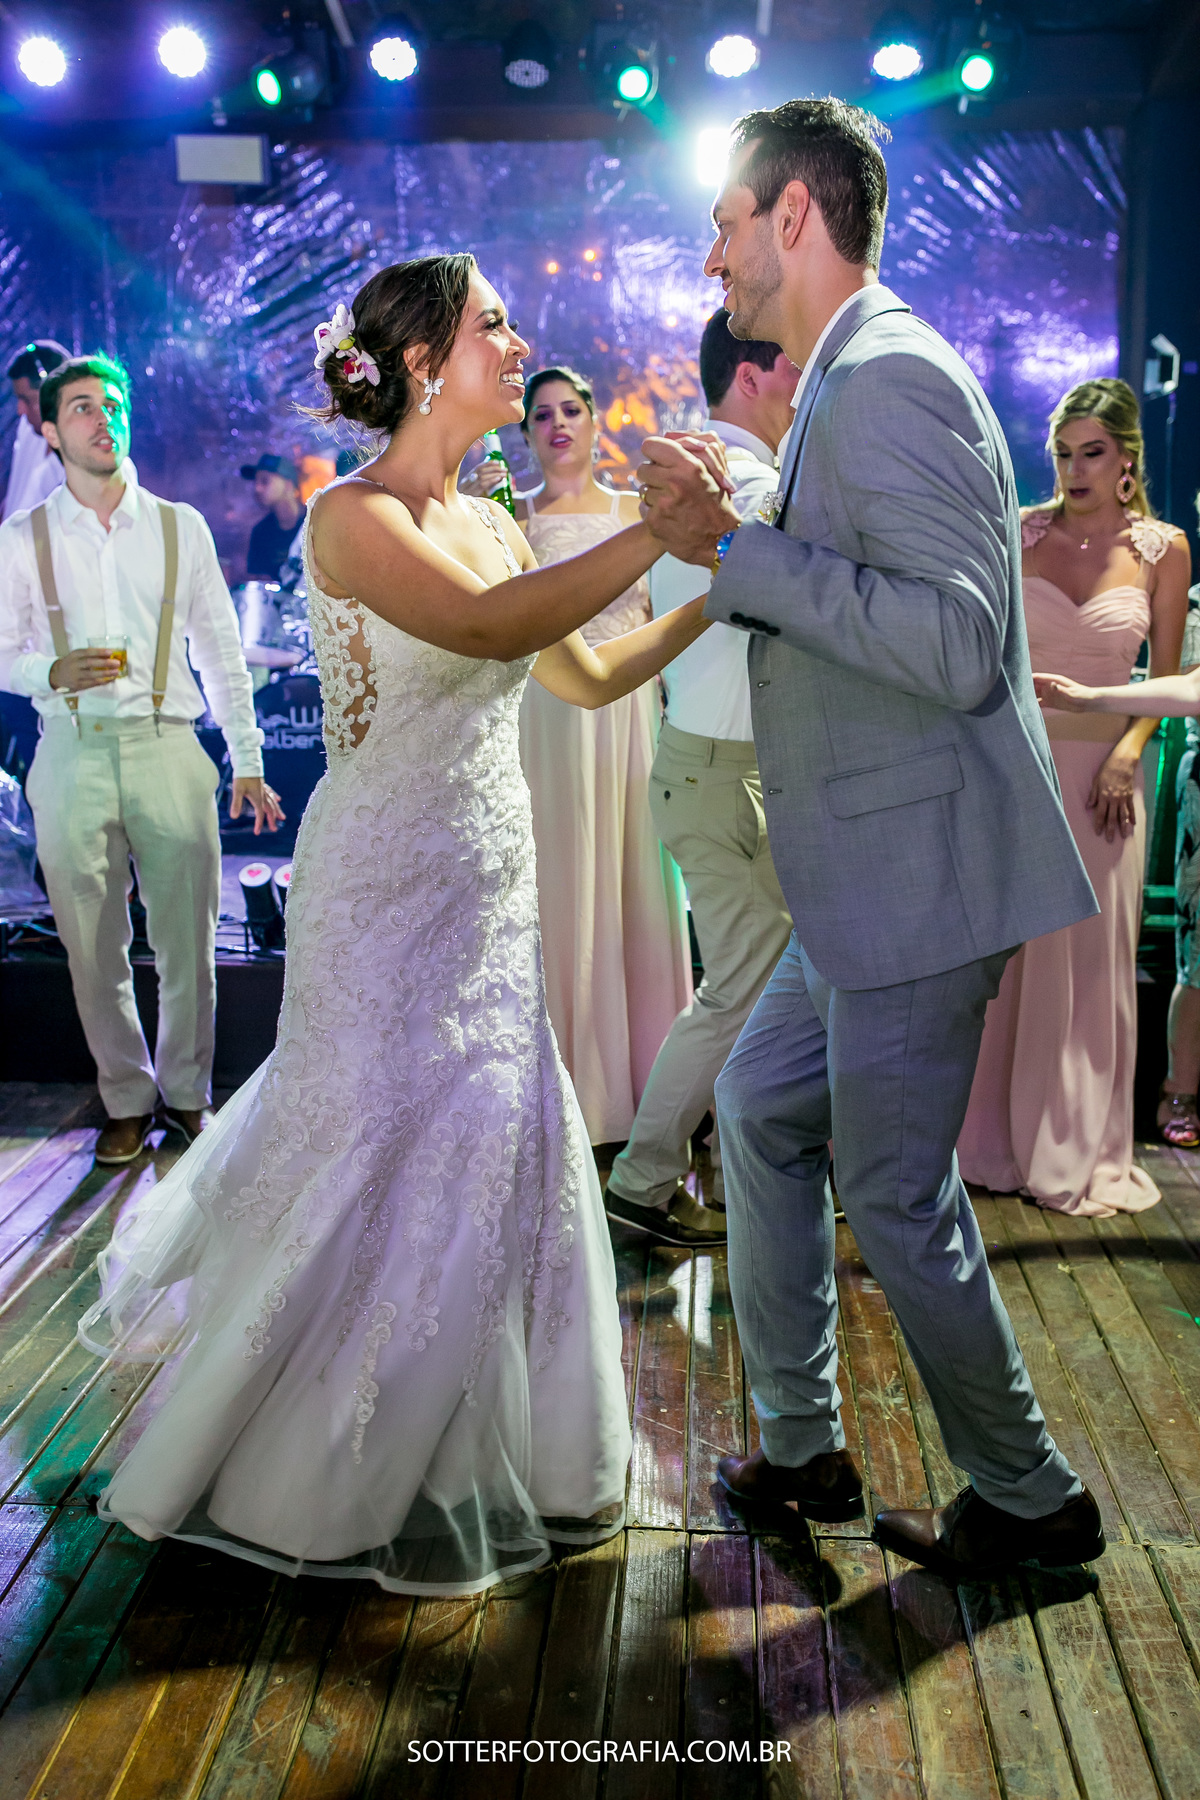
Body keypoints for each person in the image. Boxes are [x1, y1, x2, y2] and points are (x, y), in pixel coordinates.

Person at [74, 256, 714, 1597]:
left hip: (493, 868)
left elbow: (584, 672)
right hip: (383, 876)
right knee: (373, 1136)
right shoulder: (348, 519)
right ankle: (329, 1455)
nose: (517, 339)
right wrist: (660, 531)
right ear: (426, 360)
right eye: (494, 325)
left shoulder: (489, 520)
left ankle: (499, 1450)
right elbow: (485, 634)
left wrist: (722, 592)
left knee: (494, 1132)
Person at [635, 97, 1107, 1584]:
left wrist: (736, 554)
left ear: (794, 215)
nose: (710, 251)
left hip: (911, 882)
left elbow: (966, 648)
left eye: (724, 219)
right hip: (860, 878)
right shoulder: (844, 375)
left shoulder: (890, 376)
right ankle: (801, 1449)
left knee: (896, 1199)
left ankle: (1031, 1500)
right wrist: (742, 536)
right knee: (769, 1115)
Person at [0, 353, 282, 1166]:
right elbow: (4, 650)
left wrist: (248, 759)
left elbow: (220, 651)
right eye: (82, 407)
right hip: (71, 752)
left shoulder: (177, 526)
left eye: (113, 405)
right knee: (91, 945)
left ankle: (188, 1095)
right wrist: (44, 672)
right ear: (50, 430)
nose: (102, 419)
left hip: (168, 747)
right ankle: (124, 1096)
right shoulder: (24, 538)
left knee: (190, 939)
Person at [959, 381, 1188, 1214]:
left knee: (1093, 957)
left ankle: (1079, 1141)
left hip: (1110, 777)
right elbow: (988, 657)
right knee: (1011, 957)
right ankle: (990, 1138)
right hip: (1021, 764)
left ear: (1127, 456)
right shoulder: (1019, 533)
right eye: (1063, 452)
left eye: (1092, 452)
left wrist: (1128, 753)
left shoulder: (1165, 548)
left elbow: (1166, 682)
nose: (1075, 468)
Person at [604, 309, 795, 1246]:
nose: (808, 390)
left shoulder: (693, 483)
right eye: (795, 369)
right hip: (731, 777)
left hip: (703, 762)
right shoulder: (755, 490)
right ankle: (642, 1183)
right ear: (753, 377)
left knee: (754, 986)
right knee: (740, 991)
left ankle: (736, 1168)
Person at [516, 365, 693, 1145]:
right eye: (542, 414)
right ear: (525, 434)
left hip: (629, 719)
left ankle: (653, 1093)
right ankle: (565, 1088)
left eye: (571, 410)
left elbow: (679, 609)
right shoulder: (509, 520)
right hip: (546, 721)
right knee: (558, 890)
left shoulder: (637, 513)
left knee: (637, 887)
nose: (558, 423)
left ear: (594, 422)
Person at [3, 340, 69, 520]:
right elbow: (17, 501)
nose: (20, 410)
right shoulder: (28, 430)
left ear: (55, 394)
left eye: (27, 400)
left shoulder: (82, 455)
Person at [241, 452, 304, 579]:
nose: (257, 488)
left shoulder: (316, 521)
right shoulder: (260, 532)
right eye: (255, 482)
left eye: (265, 481)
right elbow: (259, 581)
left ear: (288, 485)